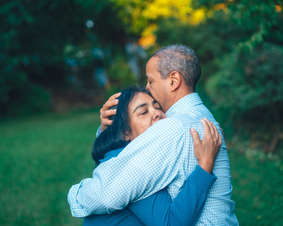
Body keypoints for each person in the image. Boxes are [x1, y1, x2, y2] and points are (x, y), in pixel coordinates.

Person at [68, 45, 239, 225]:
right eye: (143, 111)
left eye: (150, 81)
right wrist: (109, 130)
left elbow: (106, 194)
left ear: (173, 80)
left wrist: (76, 194)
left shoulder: (173, 127)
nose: (148, 88)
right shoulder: (203, 117)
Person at [74, 86, 221, 225]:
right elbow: (172, 222)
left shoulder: (129, 154)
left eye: (157, 107)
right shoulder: (132, 167)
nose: (157, 113)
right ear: (124, 133)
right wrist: (205, 165)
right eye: (144, 112)